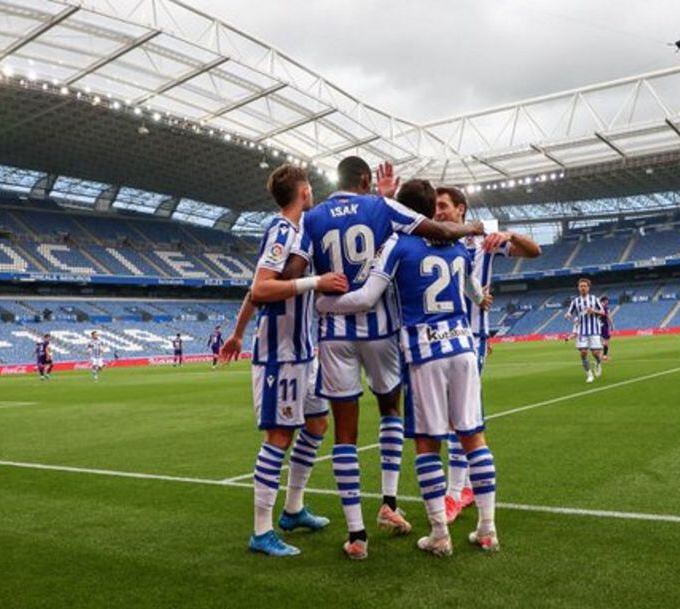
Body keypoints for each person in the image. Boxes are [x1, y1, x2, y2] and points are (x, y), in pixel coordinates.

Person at [280, 157, 484, 559]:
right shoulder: (381, 208)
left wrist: (317, 289)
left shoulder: (313, 218)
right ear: (365, 180)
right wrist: (472, 228)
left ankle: (356, 535)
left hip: (335, 335)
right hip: (380, 331)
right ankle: (388, 503)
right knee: (391, 409)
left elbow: (291, 275)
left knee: (345, 432)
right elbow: (438, 230)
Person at [221, 163, 348, 557]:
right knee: (279, 436)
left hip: (305, 351)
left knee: (317, 422)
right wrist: (316, 282)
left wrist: (238, 331)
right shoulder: (282, 230)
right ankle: (261, 532)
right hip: (281, 355)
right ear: (305, 192)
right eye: (311, 189)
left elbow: (253, 289)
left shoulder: (298, 232)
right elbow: (262, 287)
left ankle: (292, 509)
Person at [433, 186, 541, 523]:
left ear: (461, 209)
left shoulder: (482, 241)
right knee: (455, 413)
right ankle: (462, 487)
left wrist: (506, 232)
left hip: (470, 336)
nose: (437, 213)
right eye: (434, 207)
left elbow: (534, 251)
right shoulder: (430, 239)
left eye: (443, 207)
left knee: (458, 415)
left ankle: (455, 493)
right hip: (437, 336)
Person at [565, 279, 605, 383]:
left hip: (594, 330)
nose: (583, 288)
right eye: (581, 286)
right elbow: (569, 312)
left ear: (588, 287)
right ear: (578, 288)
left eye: (585, 286)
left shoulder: (594, 299)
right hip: (582, 331)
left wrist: (593, 311)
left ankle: (598, 362)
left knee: (596, 353)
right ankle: (589, 374)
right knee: (583, 352)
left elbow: (603, 312)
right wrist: (568, 315)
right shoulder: (575, 301)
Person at [599, 295, 613, 361]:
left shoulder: (597, 307)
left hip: (597, 326)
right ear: (605, 301)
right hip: (604, 325)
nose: (608, 302)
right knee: (606, 341)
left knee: (600, 341)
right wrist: (612, 325)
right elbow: (609, 317)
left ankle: (599, 356)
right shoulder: (606, 308)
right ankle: (604, 356)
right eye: (607, 300)